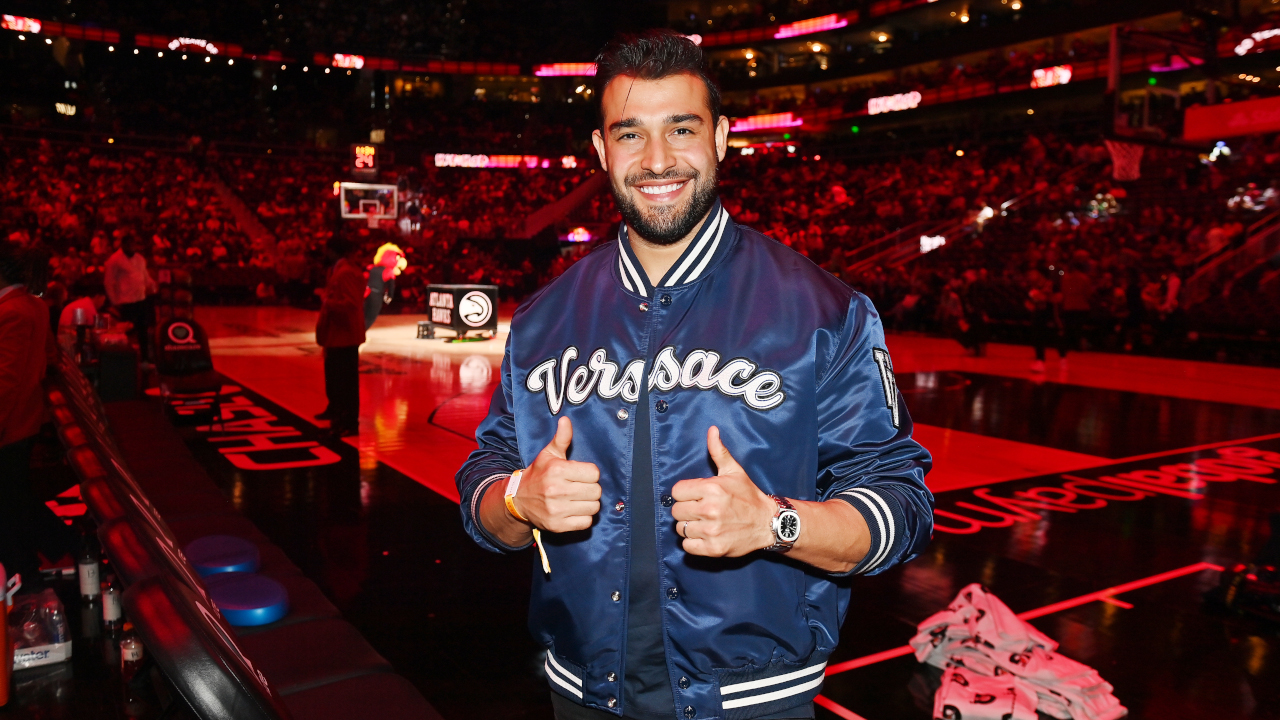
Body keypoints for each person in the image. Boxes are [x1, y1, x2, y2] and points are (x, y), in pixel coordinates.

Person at [455, 31, 933, 720]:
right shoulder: (540, 321)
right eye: (630, 134)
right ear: (600, 152)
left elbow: (903, 508)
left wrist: (778, 524)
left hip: (752, 703)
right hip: (580, 696)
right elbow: (485, 485)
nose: (656, 161)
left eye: (680, 128)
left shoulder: (824, 311)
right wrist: (516, 500)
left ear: (721, 138)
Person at [0, 243, 71, 586]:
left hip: (9, 422)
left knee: (10, 503)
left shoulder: (10, 312)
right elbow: (50, 356)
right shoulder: (35, 306)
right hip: (26, 417)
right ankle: (61, 547)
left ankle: (25, 572)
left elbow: (5, 381)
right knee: (15, 498)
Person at [315, 238, 366, 437]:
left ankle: (347, 422)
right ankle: (340, 417)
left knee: (345, 382)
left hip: (344, 335)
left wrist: (327, 300)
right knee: (338, 380)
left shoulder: (346, 272)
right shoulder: (343, 270)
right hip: (339, 334)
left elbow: (351, 304)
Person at [104, 233, 158, 364]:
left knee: (143, 330)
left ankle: (145, 358)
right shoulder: (115, 260)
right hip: (125, 301)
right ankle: (126, 360)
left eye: (133, 244)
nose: (131, 247)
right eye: (128, 244)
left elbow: (144, 277)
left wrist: (152, 285)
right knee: (126, 332)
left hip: (140, 298)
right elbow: (109, 282)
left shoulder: (139, 259)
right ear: (123, 245)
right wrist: (114, 301)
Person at [364, 242, 407, 330]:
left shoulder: (373, 268)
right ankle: (362, 332)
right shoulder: (388, 271)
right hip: (376, 295)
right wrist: (389, 297)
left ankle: (359, 332)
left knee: (364, 314)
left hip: (366, 293)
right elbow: (391, 286)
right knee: (371, 316)